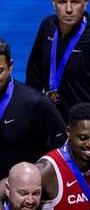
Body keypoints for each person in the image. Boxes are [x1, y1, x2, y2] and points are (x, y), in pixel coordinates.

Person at [25, 0, 90, 119]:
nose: (68, 9)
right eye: (62, 2)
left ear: (85, 3)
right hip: (52, 122)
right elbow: (34, 77)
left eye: (75, 2)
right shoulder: (47, 27)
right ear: (54, 3)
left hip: (85, 128)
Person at [0, 39, 66, 178]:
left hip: (23, 194)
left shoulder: (36, 103)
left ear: (11, 66)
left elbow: (61, 150)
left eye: (0, 71)